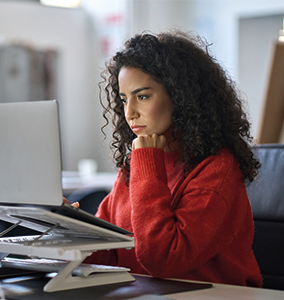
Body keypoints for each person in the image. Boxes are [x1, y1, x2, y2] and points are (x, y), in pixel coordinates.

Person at [83, 30, 262, 287]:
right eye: (124, 99)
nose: (129, 112)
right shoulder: (135, 166)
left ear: (180, 97)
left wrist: (146, 163)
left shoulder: (218, 168)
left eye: (142, 96)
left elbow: (163, 258)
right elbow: (108, 252)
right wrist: (67, 230)